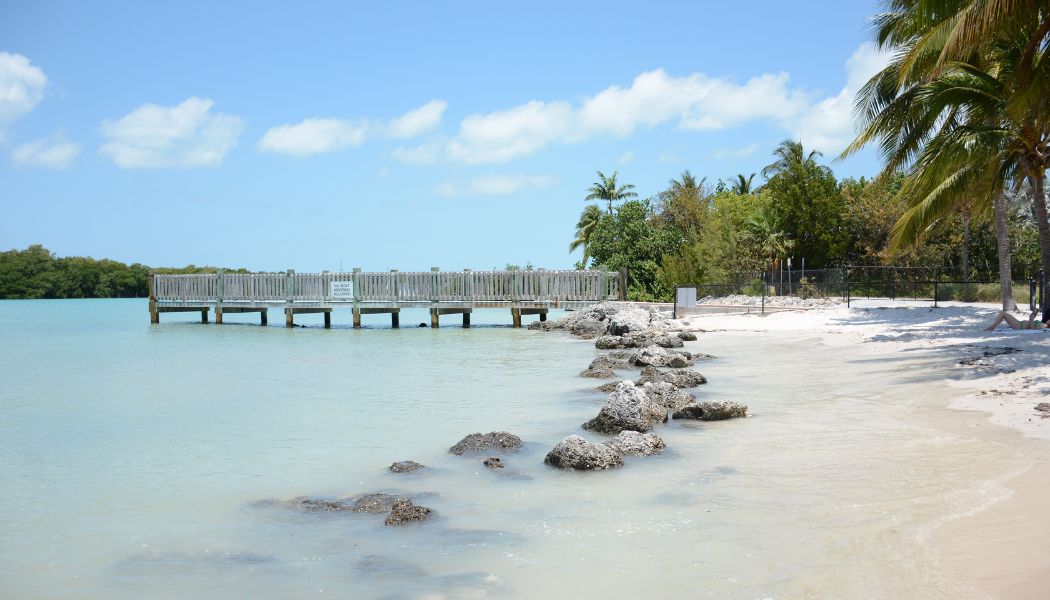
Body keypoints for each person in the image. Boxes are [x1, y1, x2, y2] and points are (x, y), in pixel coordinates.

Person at [983, 309, 1049, 331]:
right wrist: (1031, 319)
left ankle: (992, 327)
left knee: (1002, 313)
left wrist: (1032, 319)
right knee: (1002, 313)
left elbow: (1032, 328)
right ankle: (992, 327)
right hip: (1020, 323)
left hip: (1019, 326)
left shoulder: (1044, 326)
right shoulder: (1043, 323)